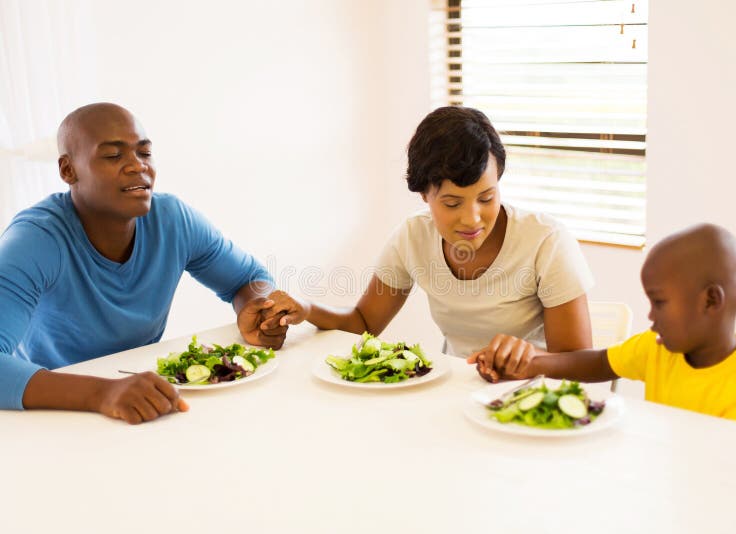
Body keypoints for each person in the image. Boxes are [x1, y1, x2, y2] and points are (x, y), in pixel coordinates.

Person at [0, 103, 288, 424]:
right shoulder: (35, 240)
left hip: (140, 399)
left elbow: (249, 278)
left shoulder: (173, 220)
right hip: (53, 411)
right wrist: (102, 394)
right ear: (68, 170)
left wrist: (259, 312)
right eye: (113, 155)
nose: (138, 166)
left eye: (145, 153)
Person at [261, 106, 595, 358]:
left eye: (486, 198)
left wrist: (528, 359)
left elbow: (578, 361)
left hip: (532, 395)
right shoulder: (413, 237)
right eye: (452, 203)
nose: (472, 219)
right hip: (458, 392)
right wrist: (308, 309)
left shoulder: (545, 240)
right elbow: (364, 323)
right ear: (425, 195)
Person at [468, 223, 736, 428]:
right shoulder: (657, 349)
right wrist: (527, 365)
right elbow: (599, 363)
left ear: (710, 301)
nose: (651, 316)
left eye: (660, 303)